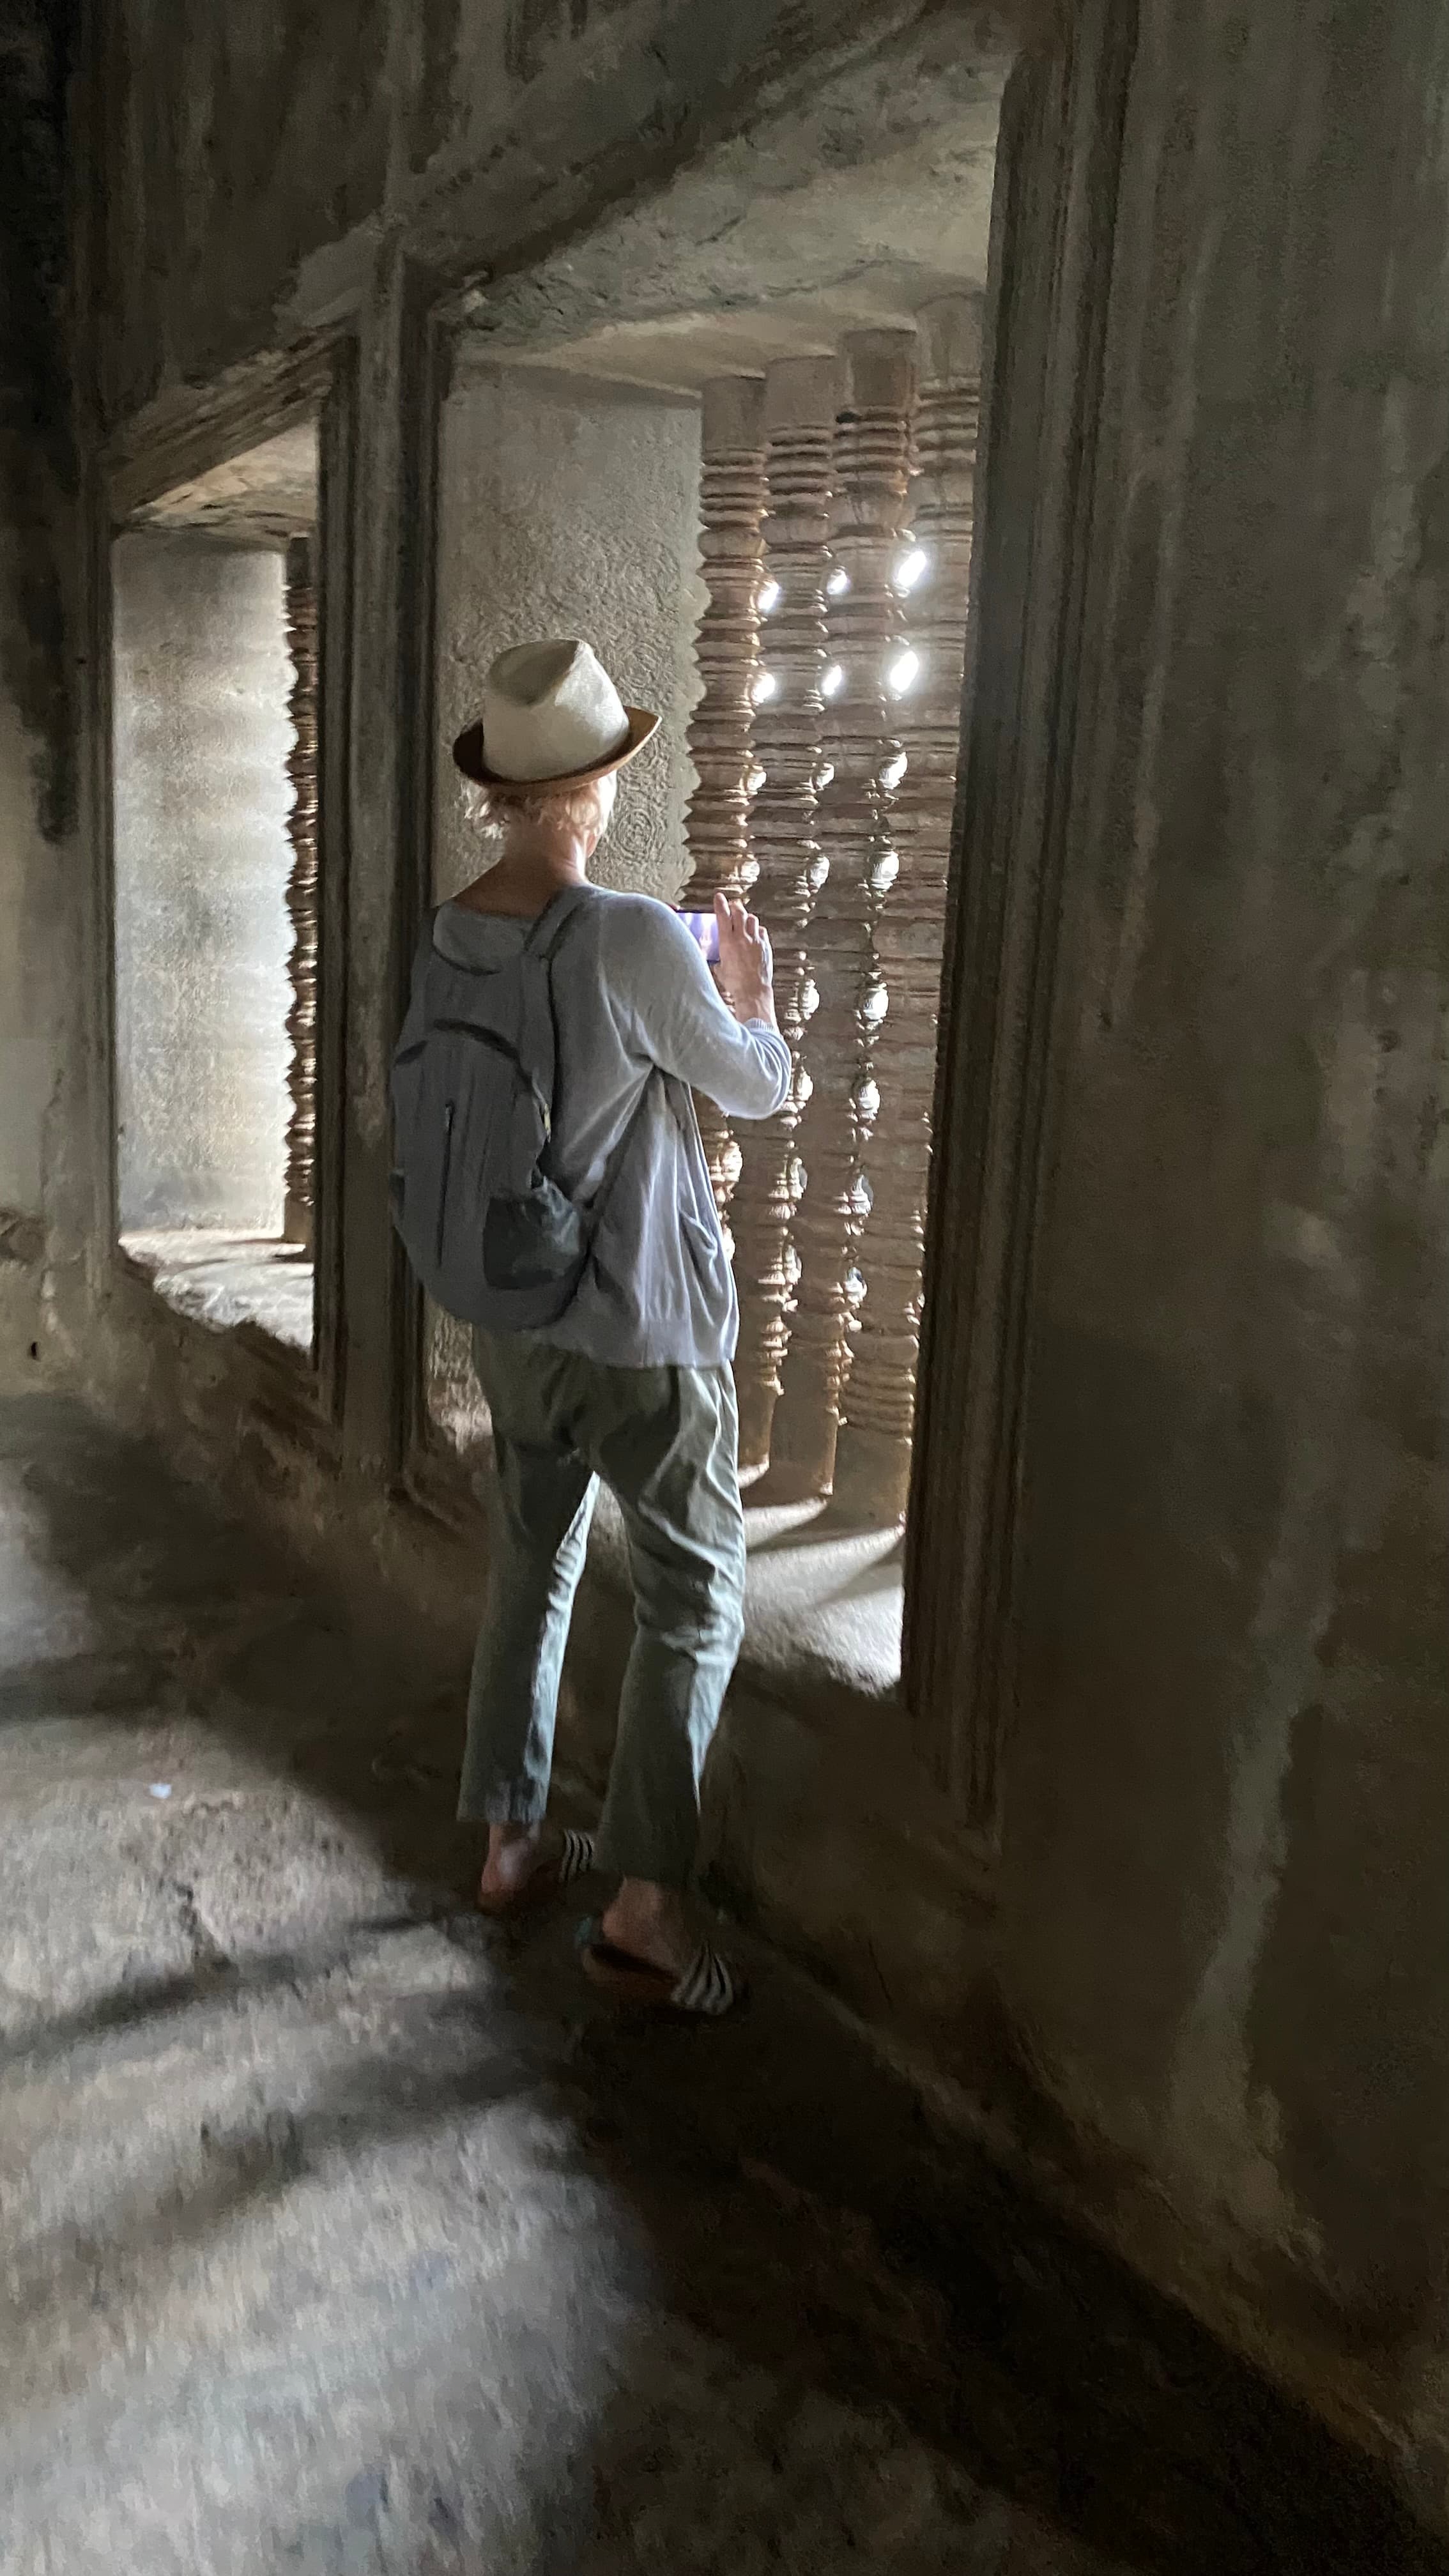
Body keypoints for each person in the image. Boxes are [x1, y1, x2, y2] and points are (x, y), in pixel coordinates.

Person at [420, 638, 789, 2016]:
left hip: (513, 1316)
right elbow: (750, 1088)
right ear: (597, 787)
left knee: (533, 1559)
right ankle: (643, 1909)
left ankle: (510, 1841)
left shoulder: (449, 934)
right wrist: (751, 996)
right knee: (697, 1593)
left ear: (504, 793)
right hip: (641, 1333)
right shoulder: (630, 934)